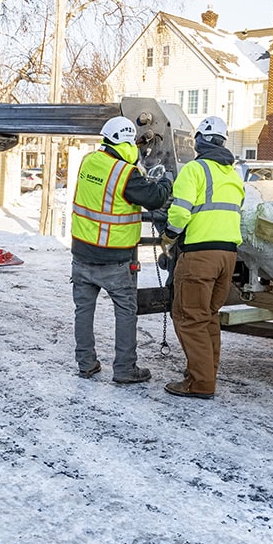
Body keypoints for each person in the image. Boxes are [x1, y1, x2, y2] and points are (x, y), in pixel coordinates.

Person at [71, 116, 172, 382]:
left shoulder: (88, 161)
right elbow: (154, 199)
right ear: (128, 142)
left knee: (83, 312)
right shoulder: (125, 174)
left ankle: (86, 363)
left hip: (81, 255)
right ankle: (125, 369)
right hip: (115, 259)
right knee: (126, 313)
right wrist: (166, 181)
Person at [160, 116, 244, 399]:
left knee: (188, 317)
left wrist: (169, 235)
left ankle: (200, 383)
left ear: (200, 140)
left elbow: (181, 211)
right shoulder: (232, 175)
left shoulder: (195, 170)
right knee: (207, 317)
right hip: (227, 256)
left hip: (200, 256)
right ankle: (205, 374)